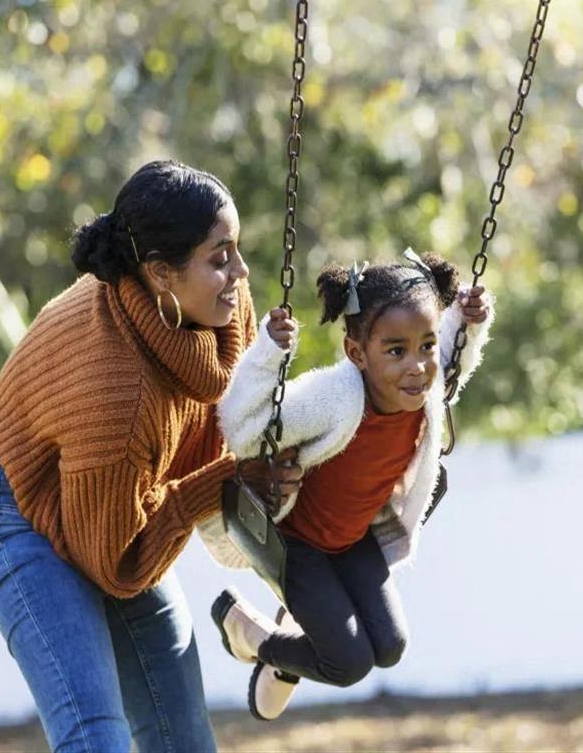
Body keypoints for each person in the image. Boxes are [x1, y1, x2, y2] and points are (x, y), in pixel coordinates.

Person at [0, 160, 302, 753]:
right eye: (220, 258)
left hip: (112, 501)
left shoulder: (224, 308)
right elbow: (117, 566)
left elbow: (231, 417)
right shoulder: (118, 391)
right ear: (161, 274)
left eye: (236, 250)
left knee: (183, 735)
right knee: (96, 737)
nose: (241, 271)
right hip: (14, 513)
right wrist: (224, 479)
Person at [206, 248, 494, 720]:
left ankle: (296, 626)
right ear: (357, 353)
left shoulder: (423, 390)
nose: (417, 365)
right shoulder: (334, 397)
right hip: (297, 545)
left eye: (424, 346)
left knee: (391, 645)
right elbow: (240, 429)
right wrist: (268, 353)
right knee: (347, 661)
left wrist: (468, 320)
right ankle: (252, 635)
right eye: (396, 351)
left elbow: (450, 352)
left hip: (353, 539)